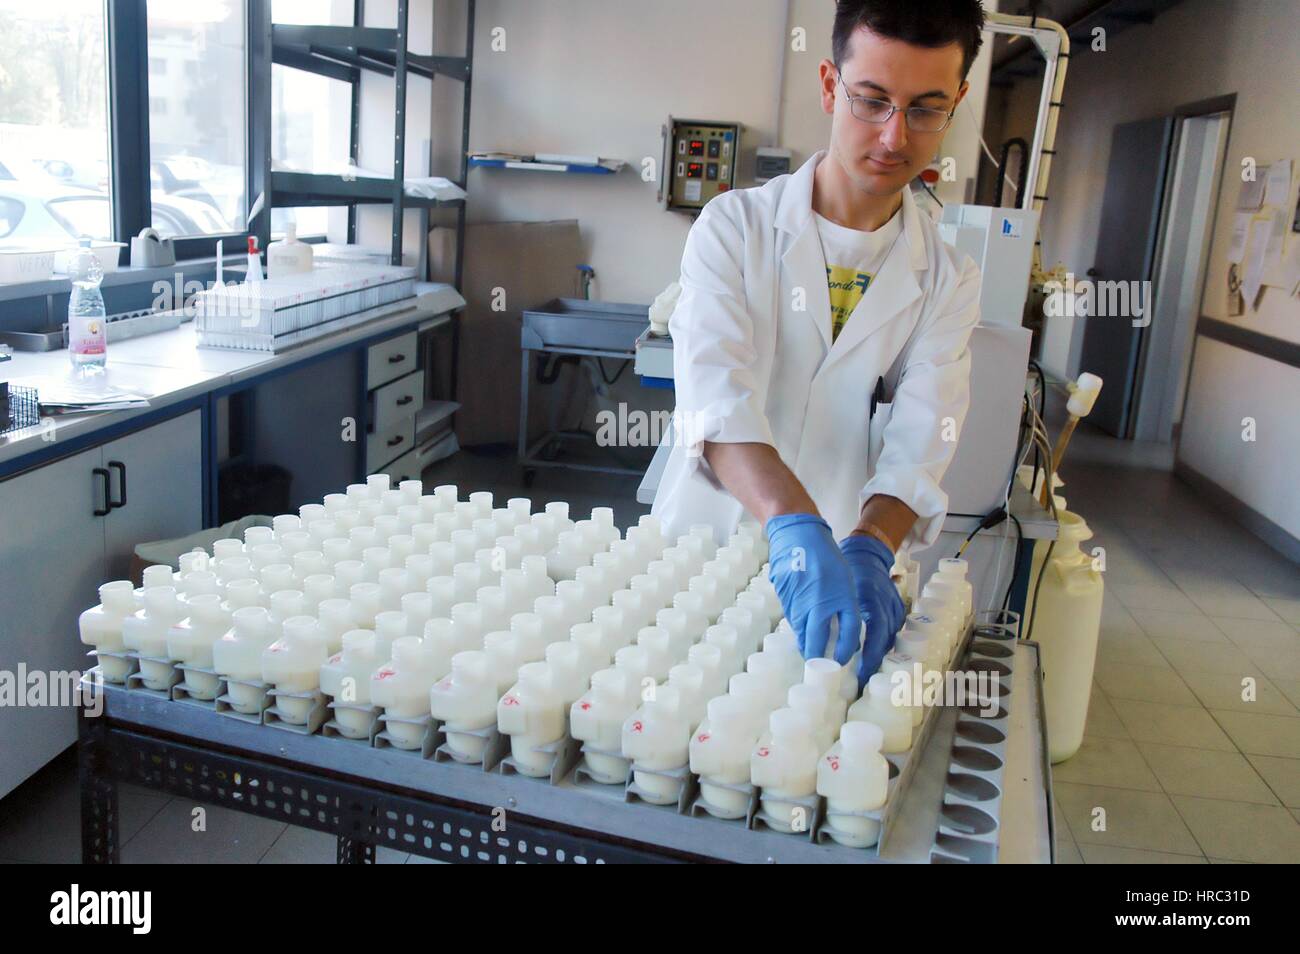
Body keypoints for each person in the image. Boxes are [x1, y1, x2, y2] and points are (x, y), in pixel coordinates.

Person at [651, 0, 985, 687]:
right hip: (703, 556)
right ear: (832, 86)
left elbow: (923, 435)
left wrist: (870, 544)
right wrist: (793, 525)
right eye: (872, 101)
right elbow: (716, 401)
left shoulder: (948, 279)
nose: (895, 137)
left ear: (958, 100)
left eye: (925, 109)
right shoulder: (733, 229)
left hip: (846, 580)